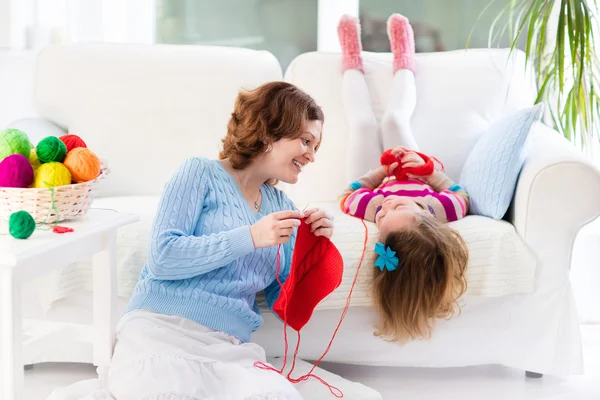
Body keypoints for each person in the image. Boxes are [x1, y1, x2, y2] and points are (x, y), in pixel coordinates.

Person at [50, 81, 333, 400]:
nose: (311, 156)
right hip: (163, 329)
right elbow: (163, 257)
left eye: (315, 146)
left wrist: (315, 250)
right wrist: (250, 237)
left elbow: (286, 307)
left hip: (230, 347)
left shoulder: (283, 208)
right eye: (305, 141)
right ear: (269, 131)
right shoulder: (199, 173)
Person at [337, 14, 469, 342]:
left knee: (365, 125)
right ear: (424, 214)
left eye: (380, 217)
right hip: (415, 168)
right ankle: (405, 61)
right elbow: (459, 194)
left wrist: (378, 175)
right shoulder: (442, 210)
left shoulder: (377, 206)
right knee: (394, 120)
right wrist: (428, 171)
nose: (384, 208)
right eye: (395, 210)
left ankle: (351, 60)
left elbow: (348, 195)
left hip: (376, 170)